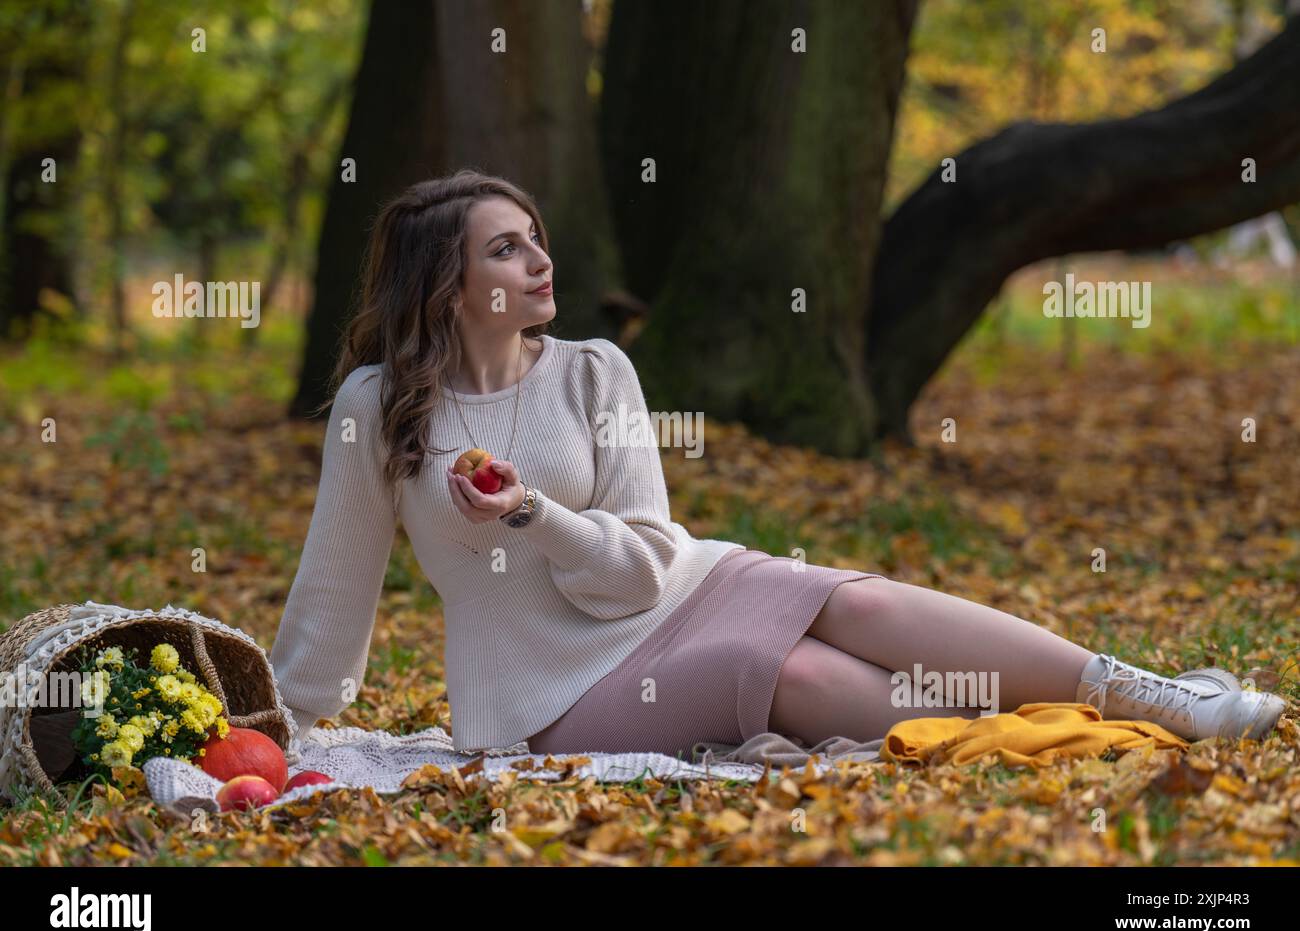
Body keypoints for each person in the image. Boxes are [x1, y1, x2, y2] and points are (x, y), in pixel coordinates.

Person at [269, 169, 1286, 760]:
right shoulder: (380, 408)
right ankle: (1045, 737)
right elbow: (332, 588)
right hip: (544, 698)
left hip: (678, 590)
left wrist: (534, 515)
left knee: (870, 606)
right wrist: (282, 724)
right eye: (505, 250)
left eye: (535, 240)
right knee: (779, 669)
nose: (539, 261)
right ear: (444, 284)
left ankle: (1151, 696)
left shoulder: (594, 371)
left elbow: (646, 562)